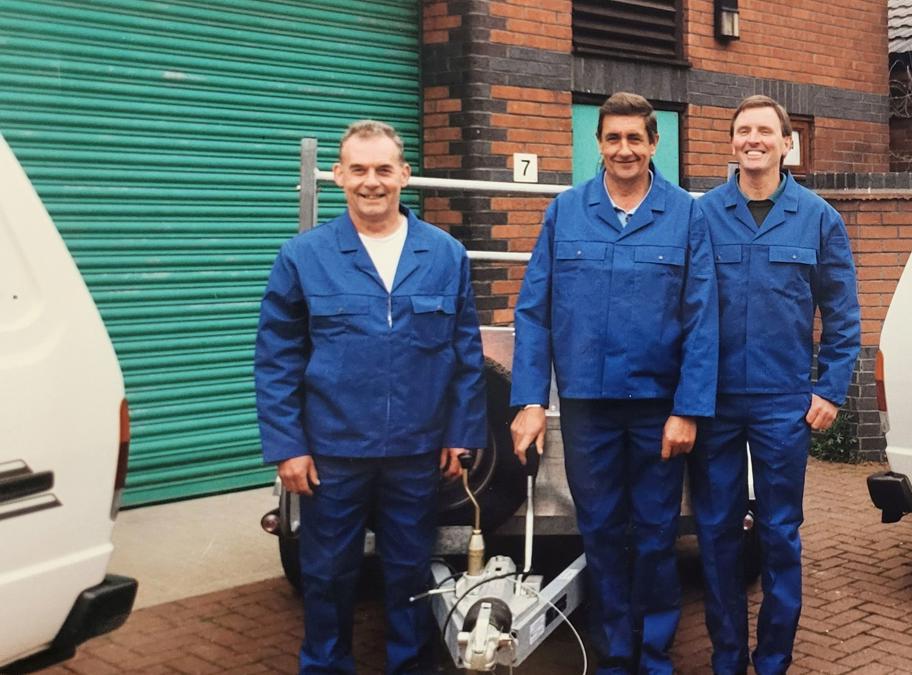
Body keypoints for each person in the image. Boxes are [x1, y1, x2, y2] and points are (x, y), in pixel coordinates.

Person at [255, 120, 487, 674]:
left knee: (410, 572)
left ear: (405, 175)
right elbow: (276, 357)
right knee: (327, 574)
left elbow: (465, 352)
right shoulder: (303, 256)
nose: (371, 182)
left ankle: (410, 667)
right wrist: (288, 446)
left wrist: (461, 433)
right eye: (358, 169)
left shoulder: (444, 253)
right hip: (333, 451)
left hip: (416, 449)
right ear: (338, 176)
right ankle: (326, 666)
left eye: (384, 169)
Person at [507, 91, 717, 675]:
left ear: (654, 144)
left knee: (654, 535)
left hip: (657, 409)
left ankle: (653, 655)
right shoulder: (565, 212)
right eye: (612, 138)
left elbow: (703, 316)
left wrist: (689, 408)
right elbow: (534, 312)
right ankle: (614, 656)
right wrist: (528, 400)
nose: (624, 149)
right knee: (599, 532)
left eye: (635, 138)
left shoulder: (686, 215)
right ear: (597, 143)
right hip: (587, 408)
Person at [690, 95, 862, 675]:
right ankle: (727, 657)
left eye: (766, 131)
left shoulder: (818, 218)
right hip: (712, 401)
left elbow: (842, 314)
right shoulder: (703, 215)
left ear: (788, 144)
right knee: (716, 534)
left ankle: (772, 662)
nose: (754, 139)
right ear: (732, 143)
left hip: (782, 402)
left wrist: (831, 389)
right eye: (743, 131)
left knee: (780, 533)